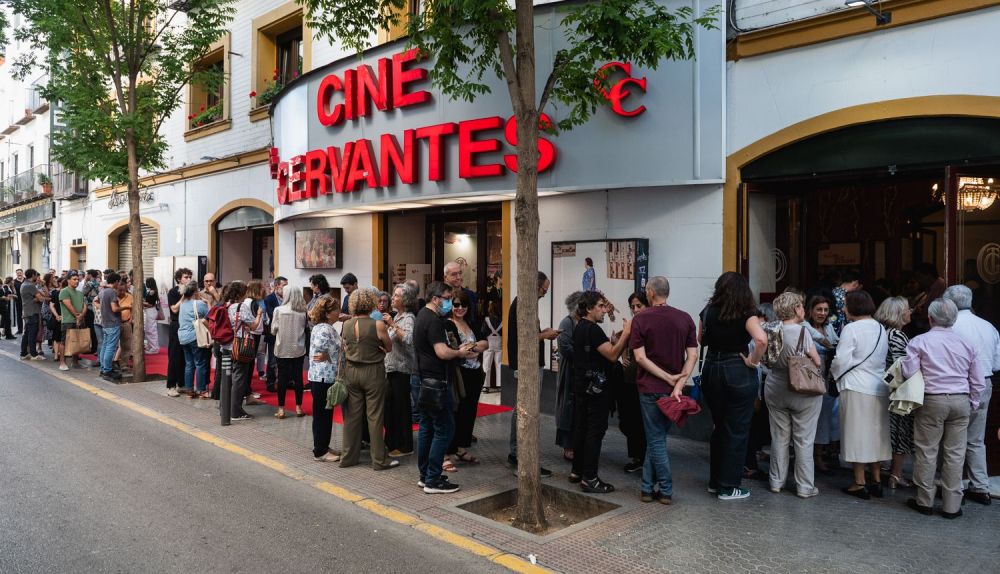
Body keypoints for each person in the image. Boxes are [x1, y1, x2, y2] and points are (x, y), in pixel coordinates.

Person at [901, 299, 986, 519]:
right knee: (956, 454)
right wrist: (973, 402)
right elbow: (977, 379)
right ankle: (951, 506)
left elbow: (909, 372)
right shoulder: (967, 343)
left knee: (927, 451)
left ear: (930, 318)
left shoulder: (919, 342)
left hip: (932, 400)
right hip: (960, 400)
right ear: (954, 319)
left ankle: (925, 501)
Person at [699, 272, 767, 500]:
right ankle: (728, 486)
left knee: (719, 427)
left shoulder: (707, 311)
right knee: (736, 430)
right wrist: (753, 361)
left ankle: (715, 481)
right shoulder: (747, 314)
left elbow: (701, 339)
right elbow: (761, 340)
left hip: (711, 369)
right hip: (737, 369)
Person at [630, 276, 698, 503]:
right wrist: (678, 384)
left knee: (656, 440)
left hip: (649, 387)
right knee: (657, 437)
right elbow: (693, 355)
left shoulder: (641, 319)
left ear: (649, 293)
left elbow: (640, 358)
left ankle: (666, 489)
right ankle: (647, 488)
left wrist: (666, 377)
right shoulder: (684, 318)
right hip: (674, 392)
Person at [413, 281, 478, 494]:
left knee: (427, 428)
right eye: (447, 299)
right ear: (436, 298)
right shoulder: (433, 321)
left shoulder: (422, 315)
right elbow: (441, 352)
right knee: (444, 429)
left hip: (424, 380)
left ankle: (425, 475)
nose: (450, 303)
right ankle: (432, 479)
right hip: (436, 382)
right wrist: (459, 352)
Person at [759, 292, 824, 498]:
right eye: (802, 307)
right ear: (796, 309)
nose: (803, 310)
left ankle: (776, 481)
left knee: (779, 437)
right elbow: (816, 361)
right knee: (804, 439)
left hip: (775, 386)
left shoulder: (769, 329)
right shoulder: (803, 332)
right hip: (802, 390)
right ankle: (804, 487)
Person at [568, 291, 631, 493]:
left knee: (582, 427)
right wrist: (626, 334)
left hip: (582, 386)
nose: (605, 310)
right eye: (601, 306)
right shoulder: (593, 329)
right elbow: (612, 356)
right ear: (589, 308)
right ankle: (590, 478)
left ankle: (577, 471)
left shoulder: (579, 327)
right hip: (595, 389)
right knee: (594, 431)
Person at [943, 285, 1000, 506]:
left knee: (952, 440)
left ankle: (953, 487)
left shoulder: (949, 326)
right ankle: (980, 487)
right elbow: (996, 364)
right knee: (976, 439)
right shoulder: (988, 326)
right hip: (985, 382)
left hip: (957, 385)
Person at [830, 290, 889, 500]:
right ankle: (876, 479)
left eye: (845, 305)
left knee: (856, 434)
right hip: (879, 386)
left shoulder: (851, 328)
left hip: (855, 385)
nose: (843, 309)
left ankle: (859, 481)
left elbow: (841, 360)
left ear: (854, 306)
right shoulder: (881, 328)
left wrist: (833, 375)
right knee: (876, 434)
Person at [506, 271, 560, 477]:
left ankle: (516, 453)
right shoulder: (523, 303)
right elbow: (525, 337)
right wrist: (544, 335)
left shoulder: (524, 302)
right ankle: (522, 456)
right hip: (527, 364)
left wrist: (542, 332)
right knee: (525, 410)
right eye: (544, 290)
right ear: (534, 286)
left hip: (529, 362)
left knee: (521, 409)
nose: (545, 294)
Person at [338, 287, 398, 471]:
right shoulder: (378, 324)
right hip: (373, 372)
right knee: (375, 416)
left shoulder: (346, 325)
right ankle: (379, 460)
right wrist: (378, 349)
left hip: (352, 372)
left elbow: (345, 347)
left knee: (352, 417)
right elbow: (389, 347)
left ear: (353, 304)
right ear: (371, 303)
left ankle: (348, 457)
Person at [446, 289, 489, 467]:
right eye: (456, 304)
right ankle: (448, 452)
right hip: (459, 374)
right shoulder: (448, 324)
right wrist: (472, 349)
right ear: (451, 306)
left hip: (475, 373)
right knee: (455, 412)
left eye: (463, 305)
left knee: (469, 413)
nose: (460, 308)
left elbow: (485, 343)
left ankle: (461, 448)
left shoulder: (471, 323)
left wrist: (471, 347)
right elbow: (457, 350)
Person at [874, 296, 914, 489]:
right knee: (900, 431)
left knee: (883, 430)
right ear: (898, 313)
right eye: (907, 309)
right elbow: (901, 366)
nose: (910, 312)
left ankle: (880, 469)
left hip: (881, 388)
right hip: (895, 391)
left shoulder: (880, 332)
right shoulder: (896, 335)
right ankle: (896, 475)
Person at [803, 296, 839, 472]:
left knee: (827, 417)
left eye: (825, 310)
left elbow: (835, 343)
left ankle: (824, 452)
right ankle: (814, 457)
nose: (822, 313)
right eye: (819, 309)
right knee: (815, 419)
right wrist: (831, 347)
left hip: (828, 378)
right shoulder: (805, 326)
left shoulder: (829, 327)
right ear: (810, 310)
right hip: (811, 378)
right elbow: (825, 342)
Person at [383, 282, 418, 457]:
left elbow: (409, 339)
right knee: (390, 407)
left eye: (396, 295)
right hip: (391, 367)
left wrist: (392, 325)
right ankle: (391, 442)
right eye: (394, 294)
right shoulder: (396, 316)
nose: (392, 297)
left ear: (405, 300)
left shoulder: (408, 318)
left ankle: (405, 446)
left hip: (402, 369)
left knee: (402, 408)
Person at [308, 295, 343, 462]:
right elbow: (319, 354)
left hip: (321, 377)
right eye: (336, 309)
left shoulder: (323, 327)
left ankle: (323, 446)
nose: (339, 312)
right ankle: (320, 450)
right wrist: (332, 357)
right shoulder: (325, 329)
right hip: (322, 377)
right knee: (322, 414)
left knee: (324, 414)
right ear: (328, 313)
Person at [617, 291, 649, 474]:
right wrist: (623, 356)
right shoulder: (630, 325)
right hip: (628, 379)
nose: (635, 310)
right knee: (629, 420)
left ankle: (643, 458)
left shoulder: (651, 325)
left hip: (644, 380)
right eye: (633, 307)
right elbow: (619, 342)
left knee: (642, 421)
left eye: (639, 305)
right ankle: (636, 456)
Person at [225, 281, 264, 420]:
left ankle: (225, 406)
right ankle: (236, 410)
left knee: (229, 377)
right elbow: (253, 326)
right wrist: (259, 315)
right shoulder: (241, 307)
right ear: (242, 293)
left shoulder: (228, 305)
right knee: (239, 378)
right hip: (240, 345)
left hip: (227, 345)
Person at [555, 291, 585, 460]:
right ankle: (568, 445)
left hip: (580, 372)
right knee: (567, 408)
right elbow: (565, 347)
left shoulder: (581, 322)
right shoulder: (567, 322)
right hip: (570, 371)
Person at [271, 286, 308, 419]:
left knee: (282, 378)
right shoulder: (303, 312)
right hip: (298, 348)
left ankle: (281, 409)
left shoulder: (278, 310)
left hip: (282, 348)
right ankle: (298, 407)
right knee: (298, 378)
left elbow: (273, 330)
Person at [177, 283, 211, 398]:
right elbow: (210, 316)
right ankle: (201, 390)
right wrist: (209, 303)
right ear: (195, 292)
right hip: (194, 337)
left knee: (189, 364)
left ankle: (189, 390)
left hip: (183, 337)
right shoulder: (200, 304)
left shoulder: (182, 304)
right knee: (200, 363)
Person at [166, 268, 193, 396]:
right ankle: (171, 385)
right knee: (174, 355)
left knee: (185, 356)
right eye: (185, 277)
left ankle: (181, 383)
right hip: (176, 325)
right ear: (179, 279)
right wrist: (183, 297)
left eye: (189, 277)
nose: (188, 279)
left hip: (188, 325)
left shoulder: (192, 292)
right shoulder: (173, 292)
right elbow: (174, 309)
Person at [98, 273, 127, 381]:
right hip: (113, 323)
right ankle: (107, 370)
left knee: (105, 347)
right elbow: (114, 309)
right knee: (110, 347)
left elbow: (96, 301)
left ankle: (104, 368)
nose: (119, 284)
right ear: (115, 282)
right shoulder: (111, 292)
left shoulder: (103, 291)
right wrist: (125, 307)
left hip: (105, 323)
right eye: (118, 282)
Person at [262, 276, 287, 392]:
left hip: (286, 333)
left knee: (285, 359)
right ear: (277, 286)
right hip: (274, 333)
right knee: (272, 360)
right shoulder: (269, 299)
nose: (286, 288)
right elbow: (272, 315)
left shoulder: (288, 297)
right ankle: (271, 382)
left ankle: (284, 381)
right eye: (284, 285)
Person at [58, 271, 87, 371]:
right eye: (74, 279)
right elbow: (68, 305)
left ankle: (75, 362)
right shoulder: (64, 291)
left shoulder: (80, 293)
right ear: (68, 280)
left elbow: (84, 306)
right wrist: (77, 316)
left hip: (79, 320)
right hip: (68, 320)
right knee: (64, 342)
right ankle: (62, 362)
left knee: (77, 341)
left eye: (78, 280)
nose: (77, 281)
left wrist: (81, 315)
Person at [20, 270, 47, 361]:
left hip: (27, 311)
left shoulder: (24, 284)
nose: (37, 277)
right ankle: (33, 354)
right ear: (33, 275)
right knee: (32, 333)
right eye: (36, 275)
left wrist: (37, 298)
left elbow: (39, 297)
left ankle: (24, 353)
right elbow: (41, 298)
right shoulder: (30, 286)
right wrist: (40, 298)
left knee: (27, 333)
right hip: (32, 312)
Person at [444, 261, 478, 326]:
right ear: (445, 278)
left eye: (460, 273)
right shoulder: (441, 297)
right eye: (454, 274)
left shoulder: (471, 295)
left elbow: (473, 319)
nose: (459, 277)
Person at [831, 271, 861, 336]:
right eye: (857, 284)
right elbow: (846, 315)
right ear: (855, 283)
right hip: (841, 330)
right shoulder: (844, 296)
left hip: (833, 327)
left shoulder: (834, 291)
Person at [117, 276, 135, 372]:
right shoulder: (112, 296)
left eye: (124, 290)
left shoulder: (130, 297)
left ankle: (124, 364)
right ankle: (111, 363)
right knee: (112, 345)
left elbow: (133, 309)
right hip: (115, 324)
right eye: (120, 291)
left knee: (126, 346)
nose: (122, 293)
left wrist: (130, 319)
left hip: (126, 322)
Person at [141, 277, 161, 354]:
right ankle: (151, 346)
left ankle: (154, 348)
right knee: (149, 330)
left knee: (151, 330)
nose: (146, 284)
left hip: (151, 311)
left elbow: (150, 304)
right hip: (150, 311)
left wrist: (142, 302)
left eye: (147, 282)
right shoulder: (152, 291)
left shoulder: (152, 292)